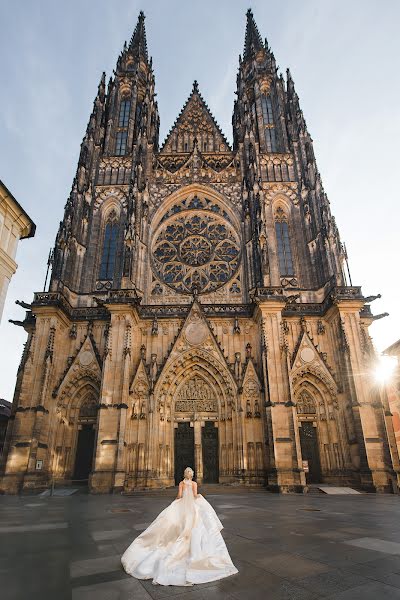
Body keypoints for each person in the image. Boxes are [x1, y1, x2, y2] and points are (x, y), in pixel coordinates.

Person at [121, 467, 238, 586]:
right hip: (192, 508)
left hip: (183, 508)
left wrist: (175, 503)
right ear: (191, 475)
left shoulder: (182, 483)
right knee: (196, 526)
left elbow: (179, 496)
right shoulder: (193, 483)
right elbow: (195, 495)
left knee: (178, 525)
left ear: (184, 474)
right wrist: (200, 497)